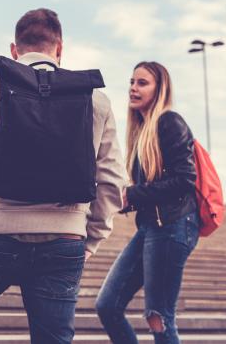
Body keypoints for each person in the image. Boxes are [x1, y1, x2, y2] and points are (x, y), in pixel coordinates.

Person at [0, 8, 126, 343]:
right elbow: (112, 179)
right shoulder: (95, 99)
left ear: (14, 49)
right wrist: (88, 238)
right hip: (64, 239)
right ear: (60, 48)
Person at [95, 61, 199, 344]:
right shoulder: (141, 131)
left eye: (142, 83)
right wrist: (121, 198)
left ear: (159, 88)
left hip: (174, 225)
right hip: (151, 227)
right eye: (131, 82)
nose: (133, 88)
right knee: (107, 305)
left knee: (159, 315)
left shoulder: (169, 122)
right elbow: (149, 188)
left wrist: (133, 195)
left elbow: (185, 179)